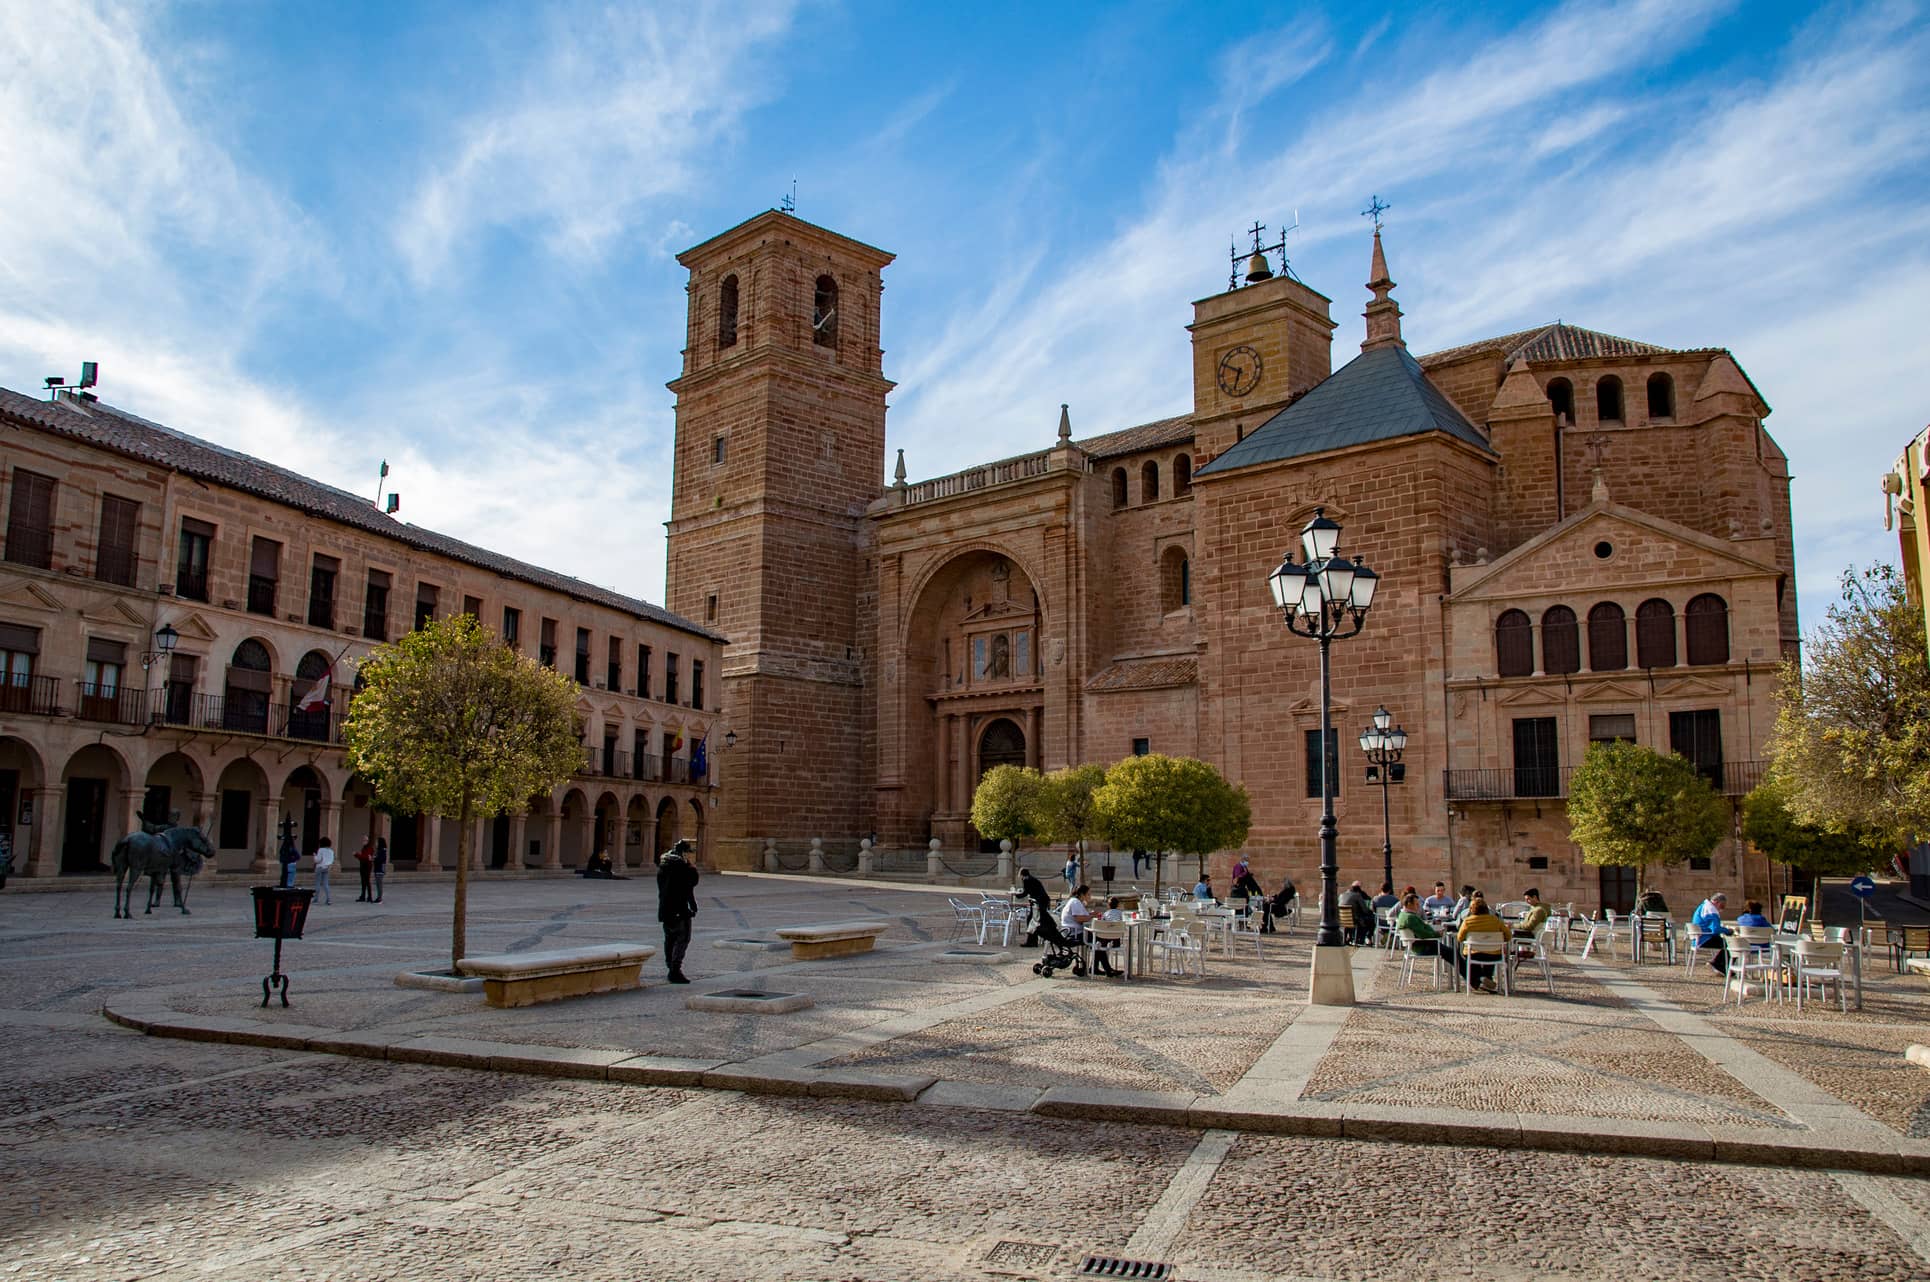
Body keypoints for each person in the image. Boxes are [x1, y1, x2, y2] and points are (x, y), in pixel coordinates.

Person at [655, 838, 699, 983]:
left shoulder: (664, 864)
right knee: (683, 938)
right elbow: (691, 882)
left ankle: (670, 967)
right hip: (679, 908)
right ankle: (675, 969)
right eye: (688, 853)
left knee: (670, 938)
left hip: (665, 908)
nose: (689, 856)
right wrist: (691, 867)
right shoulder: (681, 866)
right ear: (683, 853)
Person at [1456, 895, 1508, 991]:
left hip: (1474, 953)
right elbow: (1508, 935)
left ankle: (1479, 980)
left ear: (1471, 909)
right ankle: (1486, 979)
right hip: (1494, 954)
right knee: (1489, 952)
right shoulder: (1496, 921)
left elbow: (1459, 938)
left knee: (1465, 957)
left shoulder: (1468, 922)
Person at [1690, 891, 1732, 974]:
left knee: (1724, 943)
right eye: (1722, 905)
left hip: (1697, 938)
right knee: (1731, 944)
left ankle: (1717, 963)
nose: (1722, 908)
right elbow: (1715, 930)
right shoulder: (1712, 911)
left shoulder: (1703, 906)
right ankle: (1720, 966)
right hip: (1704, 938)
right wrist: (1728, 931)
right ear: (1716, 902)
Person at [1394, 892, 1444, 959]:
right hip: (1422, 948)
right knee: (1452, 952)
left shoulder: (1402, 914)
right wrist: (1437, 934)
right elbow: (1422, 934)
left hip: (1413, 947)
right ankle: (1461, 969)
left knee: (1448, 951)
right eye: (1417, 904)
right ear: (1409, 904)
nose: (1418, 906)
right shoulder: (1410, 917)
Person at [1090, 896, 1124, 977]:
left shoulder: (1106, 913)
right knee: (1098, 946)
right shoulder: (1120, 913)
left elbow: (1102, 923)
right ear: (1118, 905)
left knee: (1097, 945)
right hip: (1116, 941)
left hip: (1105, 940)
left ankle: (1097, 968)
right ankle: (1106, 969)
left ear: (1108, 905)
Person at [1019, 867, 1053, 947]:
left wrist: (1016, 894)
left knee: (1032, 920)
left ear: (1022, 874)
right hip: (1040, 901)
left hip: (1039, 902)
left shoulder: (1026, 880)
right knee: (1034, 920)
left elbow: (1025, 893)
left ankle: (1032, 941)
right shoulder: (1031, 879)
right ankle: (1033, 941)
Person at [1338, 881, 1373, 945]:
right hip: (1354, 920)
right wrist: (1370, 911)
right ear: (1359, 889)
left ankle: (1348, 938)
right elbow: (1365, 910)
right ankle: (1363, 939)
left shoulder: (1341, 895)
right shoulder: (1357, 895)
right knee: (1370, 920)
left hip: (1343, 919)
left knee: (1358, 919)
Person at [312, 837, 336, 906]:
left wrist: (314, 856)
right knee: (326, 884)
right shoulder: (331, 851)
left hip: (320, 867)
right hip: (327, 867)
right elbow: (331, 860)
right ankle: (328, 899)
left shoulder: (321, 850)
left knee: (318, 883)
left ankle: (316, 899)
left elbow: (318, 860)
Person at [371, 837, 388, 904]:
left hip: (380, 869)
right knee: (378, 884)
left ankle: (380, 898)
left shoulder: (382, 850)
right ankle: (378, 897)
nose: (376, 843)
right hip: (377, 869)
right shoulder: (379, 850)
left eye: (377, 842)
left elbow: (381, 859)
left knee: (379, 884)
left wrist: (375, 858)